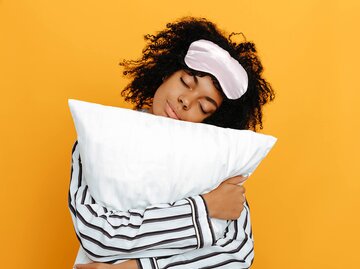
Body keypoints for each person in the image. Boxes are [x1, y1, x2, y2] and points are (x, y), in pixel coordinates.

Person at [69, 16, 275, 269]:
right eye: (186, 83)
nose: (186, 101)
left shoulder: (215, 158)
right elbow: (99, 236)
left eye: (203, 106)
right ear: (166, 72)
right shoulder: (103, 136)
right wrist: (203, 208)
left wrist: (135, 267)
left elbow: (236, 254)